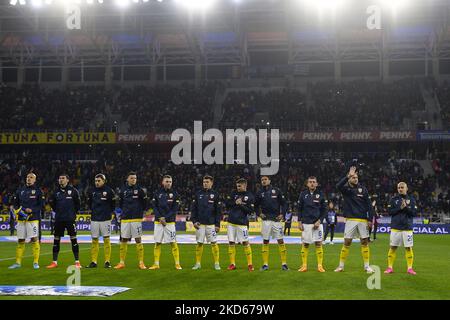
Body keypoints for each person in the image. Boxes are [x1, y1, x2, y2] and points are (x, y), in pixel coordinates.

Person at [334, 166, 375, 273]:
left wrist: (370, 219)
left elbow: (369, 206)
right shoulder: (346, 190)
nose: (355, 179)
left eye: (356, 177)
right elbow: (338, 186)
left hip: (362, 220)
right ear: (349, 179)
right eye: (353, 177)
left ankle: (367, 266)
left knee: (365, 242)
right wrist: (347, 176)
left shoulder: (363, 189)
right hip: (351, 219)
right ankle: (341, 266)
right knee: (347, 242)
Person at [8, 173, 44, 270]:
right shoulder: (20, 190)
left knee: (34, 239)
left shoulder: (38, 191)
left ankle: (36, 262)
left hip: (33, 219)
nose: (29, 179)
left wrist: (32, 210)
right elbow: (15, 204)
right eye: (28, 177)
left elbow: (41, 205)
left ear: (35, 180)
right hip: (21, 219)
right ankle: (18, 262)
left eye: (31, 177)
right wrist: (18, 210)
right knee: (20, 240)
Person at [46, 174, 81, 269]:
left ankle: (77, 262)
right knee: (56, 240)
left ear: (67, 180)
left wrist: (72, 214)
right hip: (59, 219)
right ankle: (54, 262)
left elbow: (78, 204)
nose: (61, 180)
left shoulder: (73, 191)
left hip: (70, 219)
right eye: (60, 178)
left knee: (73, 239)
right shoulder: (55, 192)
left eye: (63, 178)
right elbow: (52, 203)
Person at [114, 172, 148, 270]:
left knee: (138, 239)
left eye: (135, 178)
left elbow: (145, 203)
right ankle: (121, 262)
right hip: (125, 218)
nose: (134, 180)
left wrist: (141, 211)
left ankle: (141, 263)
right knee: (123, 239)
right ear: (127, 179)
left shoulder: (140, 190)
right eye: (132, 178)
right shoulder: (122, 190)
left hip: (136, 218)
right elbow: (120, 203)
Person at [255, 175, 289, 271]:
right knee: (265, 241)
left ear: (269, 180)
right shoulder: (259, 192)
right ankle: (265, 264)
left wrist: (282, 214)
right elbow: (256, 205)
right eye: (262, 180)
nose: (264, 181)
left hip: (276, 220)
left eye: (265, 179)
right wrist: (259, 213)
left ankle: (284, 264)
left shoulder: (277, 190)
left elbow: (284, 203)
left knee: (280, 240)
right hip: (265, 220)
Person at [149, 175, 182, 270]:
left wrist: (165, 218)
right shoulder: (157, 193)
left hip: (170, 222)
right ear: (162, 182)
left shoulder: (175, 194)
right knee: (157, 243)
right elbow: (154, 207)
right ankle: (156, 264)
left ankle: (177, 264)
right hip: (158, 222)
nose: (168, 183)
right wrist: (160, 218)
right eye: (167, 181)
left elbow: (174, 209)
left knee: (173, 242)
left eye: (170, 182)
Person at [384, 182, 417, 275]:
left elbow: (414, 213)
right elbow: (390, 212)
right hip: (396, 228)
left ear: (406, 188)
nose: (400, 189)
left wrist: (406, 208)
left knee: (408, 248)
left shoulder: (411, 199)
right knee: (393, 247)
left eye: (402, 187)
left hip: (407, 228)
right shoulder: (393, 199)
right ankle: (390, 267)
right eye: (399, 187)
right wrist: (400, 208)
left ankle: (410, 268)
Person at [191, 175, 222, 271]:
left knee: (214, 243)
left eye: (207, 182)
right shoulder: (198, 194)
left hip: (211, 224)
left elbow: (218, 211)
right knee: (199, 243)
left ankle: (216, 263)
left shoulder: (216, 195)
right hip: (200, 224)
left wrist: (217, 224)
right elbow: (193, 210)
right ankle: (198, 263)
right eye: (204, 182)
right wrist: (194, 221)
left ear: (211, 183)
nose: (205, 183)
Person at [297, 176, 327, 272]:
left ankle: (320, 266)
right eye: (310, 182)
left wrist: (320, 220)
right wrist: (299, 221)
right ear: (307, 184)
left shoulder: (321, 194)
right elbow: (299, 209)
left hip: (317, 224)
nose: (312, 183)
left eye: (314, 182)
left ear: (317, 184)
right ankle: (304, 265)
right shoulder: (303, 194)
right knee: (305, 244)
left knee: (318, 244)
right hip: (306, 223)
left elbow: (325, 210)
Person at [224, 178, 255, 271]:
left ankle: (250, 264)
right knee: (231, 242)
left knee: (245, 242)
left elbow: (250, 211)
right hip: (231, 222)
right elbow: (227, 204)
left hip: (242, 223)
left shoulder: (250, 196)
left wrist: (240, 205)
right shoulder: (233, 193)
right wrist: (235, 203)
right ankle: (232, 264)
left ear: (245, 185)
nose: (237, 187)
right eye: (237, 186)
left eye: (239, 186)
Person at [86, 174, 116, 269]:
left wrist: (109, 213)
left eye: (99, 181)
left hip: (105, 219)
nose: (97, 182)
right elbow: (89, 203)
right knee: (94, 240)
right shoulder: (91, 191)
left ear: (104, 181)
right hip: (94, 218)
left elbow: (113, 204)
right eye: (96, 181)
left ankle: (107, 261)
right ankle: (93, 261)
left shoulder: (109, 191)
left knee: (106, 240)